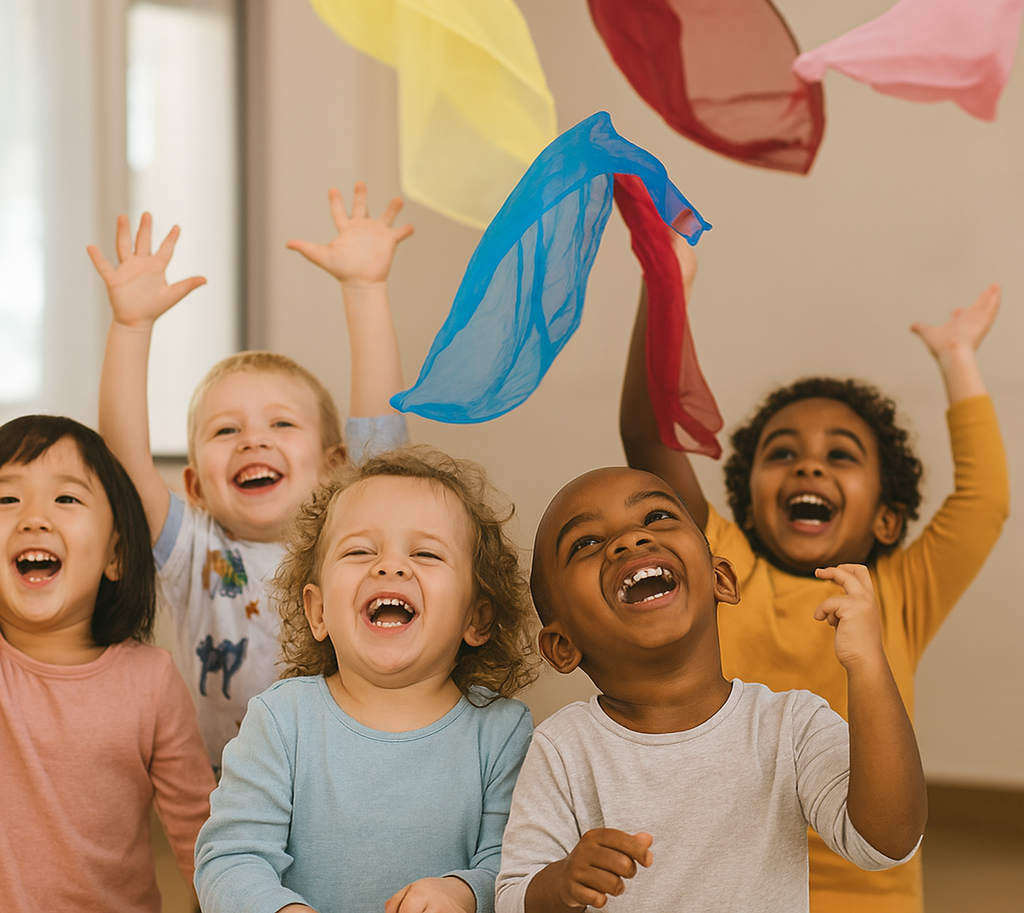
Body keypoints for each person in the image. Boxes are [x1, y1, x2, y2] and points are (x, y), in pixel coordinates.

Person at [618, 239, 1008, 913]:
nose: (808, 467)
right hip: (723, 887)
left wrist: (958, 360)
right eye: (783, 453)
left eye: (841, 455)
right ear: (747, 495)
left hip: (864, 895)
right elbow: (649, 439)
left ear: (887, 521)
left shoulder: (900, 592)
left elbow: (984, 503)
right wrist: (666, 291)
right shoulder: (719, 561)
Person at [495, 466, 927, 913]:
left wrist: (870, 666)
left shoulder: (790, 726)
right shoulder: (562, 748)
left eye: (657, 517)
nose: (630, 540)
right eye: (585, 543)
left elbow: (887, 842)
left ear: (721, 579)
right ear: (562, 645)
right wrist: (561, 883)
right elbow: (512, 898)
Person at [88, 183, 414, 767]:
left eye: (281, 424)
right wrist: (131, 329)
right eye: (225, 431)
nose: (253, 440)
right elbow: (121, 460)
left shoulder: (347, 535)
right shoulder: (193, 550)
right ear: (194, 487)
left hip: (344, 771)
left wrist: (365, 290)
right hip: (228, 780)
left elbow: (382, 436)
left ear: (335, 466)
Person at [194, 446, 537, 913]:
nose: (390, 566)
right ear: (318, 612)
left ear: (476, 618)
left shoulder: (502, 731)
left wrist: (462, 891)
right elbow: (230, 859)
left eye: (425, 552)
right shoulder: (282, 720)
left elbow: (515, 865)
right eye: (359, 551)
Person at [0, 415, 216, 913]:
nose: (32, 517)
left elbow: (204, 845)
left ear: (115, 555)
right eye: (7, 499)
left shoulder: (151, 681)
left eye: (66, 499)